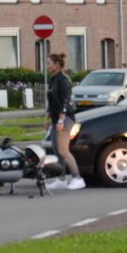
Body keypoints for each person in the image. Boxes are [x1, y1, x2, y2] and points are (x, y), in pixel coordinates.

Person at [44, 52, 85, 191]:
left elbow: (65, 101)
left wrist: (61, 120)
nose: (47, 66)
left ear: (57, 64)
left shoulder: (63, 80)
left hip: (65, 118)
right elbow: (51, 102)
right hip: (56, 119)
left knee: (63, 150)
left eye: (49, 63)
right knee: (56, 149)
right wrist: (47, 118)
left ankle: (77, 178)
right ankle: (61, 179)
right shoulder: (53, 79)